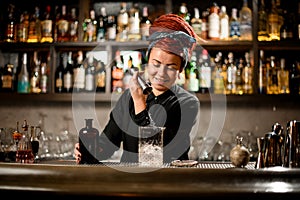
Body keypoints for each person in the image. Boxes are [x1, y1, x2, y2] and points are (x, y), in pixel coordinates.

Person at [74, 13, 201, 164]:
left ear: (180, 70)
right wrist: (91, 149)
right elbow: (108, 144)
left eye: (171, 67)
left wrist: (140, 104)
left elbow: (155, 152)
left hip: (168, 181)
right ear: (148, 61)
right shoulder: (128, 97)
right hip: (130, 181)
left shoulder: (187, 103)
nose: (161, 73)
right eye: (156, 63)